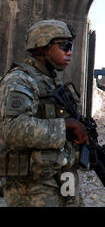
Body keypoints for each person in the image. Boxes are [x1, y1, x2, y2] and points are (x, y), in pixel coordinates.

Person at [0, 19, 89, 207]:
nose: (70, 52)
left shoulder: (51, 83)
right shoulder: (20, 80)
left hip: (62, 178)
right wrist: (67, 125)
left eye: (70, 46)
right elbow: (14, 128)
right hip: (32, 187)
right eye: (64, 46)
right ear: (43, 46)